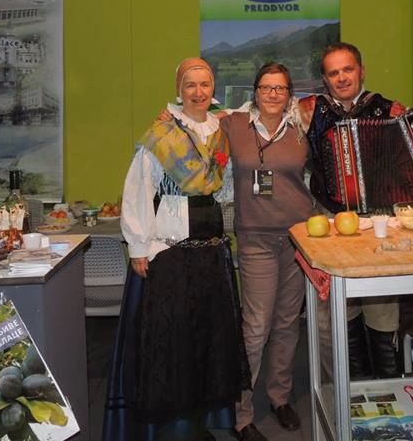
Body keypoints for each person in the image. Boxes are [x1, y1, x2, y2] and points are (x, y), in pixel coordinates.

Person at [102, 58, 248, 441]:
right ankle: (177, 427)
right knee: (176, 343)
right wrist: (138, 246)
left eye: (205, 84)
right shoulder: (161, 135)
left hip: (211, 253)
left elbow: (223, 188)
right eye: (190, 85)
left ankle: (204, 422)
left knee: (209, 340)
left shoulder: (219, 131)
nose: (198, 92)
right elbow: (138, 189)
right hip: (172, 253)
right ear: (179, 91)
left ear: (213, 88)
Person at [299, 42, 413, 379]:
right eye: (333, 73)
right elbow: (264, 111)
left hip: (379, 221)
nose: (342, 78)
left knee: (382, 307)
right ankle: (355, 388)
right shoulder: (309, 111)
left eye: (348, 69)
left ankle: (388, 386)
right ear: (325, 79)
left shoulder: (389, 110)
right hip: (330, 219)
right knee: (341, 308)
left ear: (362, 71)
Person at [220, 63, 313, 441]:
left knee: (288, 323)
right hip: (255, 238)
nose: (273, 94)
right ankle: (241, 413)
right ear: (255, 92)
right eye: (266, 87)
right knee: (256, 326)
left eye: (280, 88)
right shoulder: (233, 124)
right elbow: (193, 119)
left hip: (297, 237)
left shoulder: (303, 127)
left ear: (289, 94)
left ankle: (280, 397)